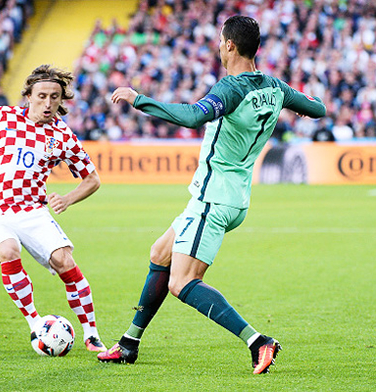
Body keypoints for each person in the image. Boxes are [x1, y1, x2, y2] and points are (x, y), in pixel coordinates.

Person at [97, 16, 326, 374]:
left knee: (183, 281)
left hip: (213, 198)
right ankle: (129, 343)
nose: (219, 46)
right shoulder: (274, 87)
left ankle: (257, 341)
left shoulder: (230, 89)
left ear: (230, 45)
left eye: (221, 41)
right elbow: (318, 109)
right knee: (161, 251)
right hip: (234, 197)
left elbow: (192, 117)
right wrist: (287, 102)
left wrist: (139, 99)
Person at [0, 64, 107, 353]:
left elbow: (93, 180)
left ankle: (91, 335)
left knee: (64, 261)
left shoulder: (63, 137)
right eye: (42, 96)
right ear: (28, 95)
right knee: (8, 252)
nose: (48, 103)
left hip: (33, 212)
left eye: (55, 97)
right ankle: (35, 323)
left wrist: (67, 199)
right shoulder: (3, 117)